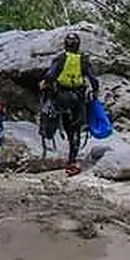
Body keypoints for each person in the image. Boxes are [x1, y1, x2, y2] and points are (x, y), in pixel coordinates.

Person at [40, 32, 100, 175]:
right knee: (76, 129)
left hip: (62, 96)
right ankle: (72, 160)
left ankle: (51, 137)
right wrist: (95, 91)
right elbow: (93, 79)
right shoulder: (83, 59)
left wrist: (45, 84)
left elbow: (50, 75)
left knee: (56, 116)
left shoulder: (60, 58)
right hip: (78, 97)